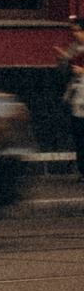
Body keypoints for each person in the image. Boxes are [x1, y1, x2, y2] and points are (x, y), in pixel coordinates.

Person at [57, 20, 84, 179]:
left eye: (79, 30)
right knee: (79, 134)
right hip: (77, 97)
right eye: (74, 30)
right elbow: (65, 71)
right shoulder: (74, 48)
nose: (76, 34)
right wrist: (65, 59)